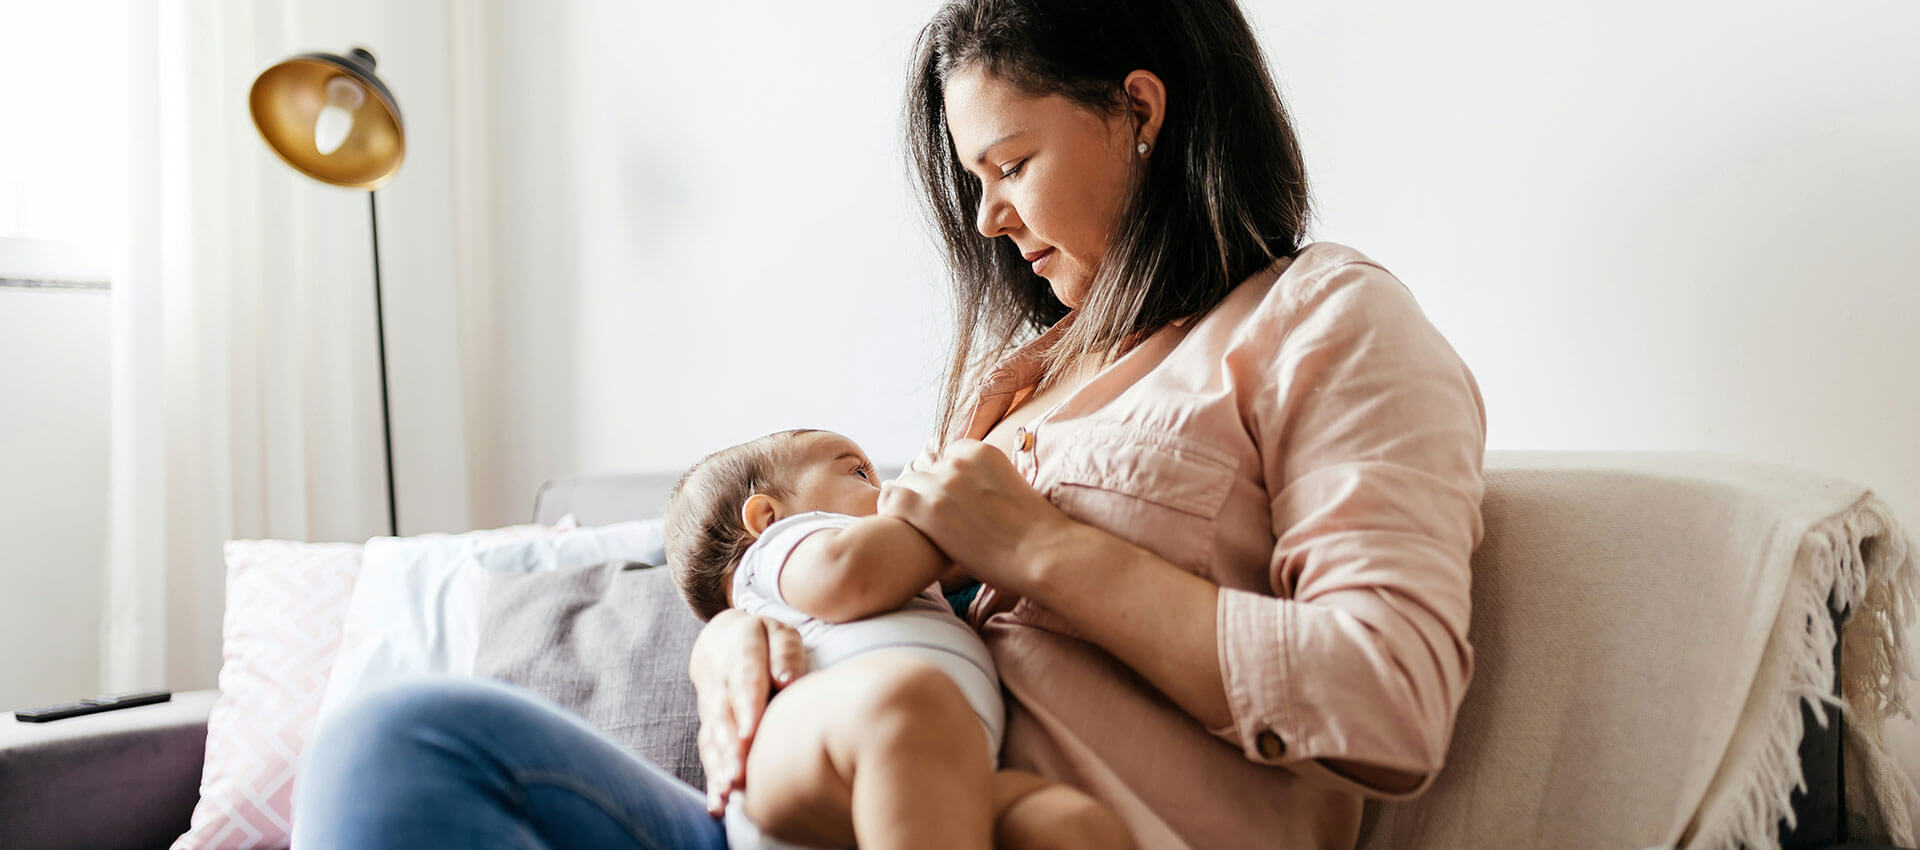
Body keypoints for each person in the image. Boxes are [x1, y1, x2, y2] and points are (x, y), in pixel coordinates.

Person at [293, 1, 1486, 848]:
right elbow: (872, 594)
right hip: (821, 809)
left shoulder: (1326, 322)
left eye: (1009, 163)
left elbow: (1388, 695)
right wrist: (736, 639)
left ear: (1139, 110)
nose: (988, 219)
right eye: (974, 180)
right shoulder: (1026, 380)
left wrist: (1046, 550)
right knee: (394, 736)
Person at [663, 428, 1132, 850]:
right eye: (858, 473)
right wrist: (960, 524)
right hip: (808, 753)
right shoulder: (781, 550)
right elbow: (851, 575)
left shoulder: (910, 576)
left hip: (936, 780)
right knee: (908, 698)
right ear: (766, 515)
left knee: (1069, 823)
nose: (886, 488)